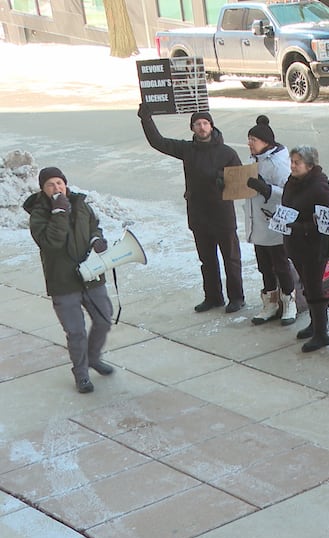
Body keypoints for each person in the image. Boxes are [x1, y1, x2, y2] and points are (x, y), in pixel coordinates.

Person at [137, 106, 245, 313]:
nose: (202, 127)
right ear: (192, 128)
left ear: (212, 126)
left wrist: (224, 179)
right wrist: (146, 119)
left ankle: (236, 298)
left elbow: (241, 184)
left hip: (222, 215)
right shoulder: (187, 150)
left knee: (231, 259)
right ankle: (213, 297)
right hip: (198, 214)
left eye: (205, 123)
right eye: (198, 124)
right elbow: (158, 142)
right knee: (207, 260)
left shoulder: (227, 153)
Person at [24, 167, 114, 393]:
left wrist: (96, 240)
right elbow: (51, 243)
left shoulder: (81, 204)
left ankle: (93, 357)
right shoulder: (38, 214)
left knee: (104, 319)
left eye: (59, 183)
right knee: (76, 332)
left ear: (65, 183)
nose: (57, 188)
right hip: (63, 282)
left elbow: (94, 226)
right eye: (50, 185)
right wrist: (59, 213)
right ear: (43, 189)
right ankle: (81, 373)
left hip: (91, 275)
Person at [242, 115, 295, 326]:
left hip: (274, 225)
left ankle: (289, 302)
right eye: (249, 139)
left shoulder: (279, 164)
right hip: (257, 224)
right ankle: (270, 303)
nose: (249, 143)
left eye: (253, 140)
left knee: (281, 266)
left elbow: (289, 194)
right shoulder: (252, 161)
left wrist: (266, 189)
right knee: (264, 267)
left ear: (266, 143)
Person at [281, 145, 329, 352]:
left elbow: (325, 222)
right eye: (292, 162)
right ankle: (314, 324)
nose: (292, 166)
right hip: (295, 245)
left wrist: (299, 226)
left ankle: (322, 333)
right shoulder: (292, 182)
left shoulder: (319, 188)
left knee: (314, 288)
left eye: (297, 162)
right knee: (306, 286)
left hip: (313, 248)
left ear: (310, 166)